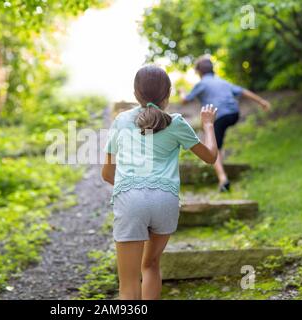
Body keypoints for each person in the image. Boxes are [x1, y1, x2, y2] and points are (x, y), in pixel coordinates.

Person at [101, 65, 218, 300]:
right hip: (165, 199)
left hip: (130, 198)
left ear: (136, 94)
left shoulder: (122, 121)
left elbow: (107, 173)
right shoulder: (176, 123)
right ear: (168, 94)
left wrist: (131, 187)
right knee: (151, 264)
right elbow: (210, 157)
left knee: (128, 284)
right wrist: (208, 124)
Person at [181, 56, 271, 191]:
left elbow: (184, 101)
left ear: (199, 71)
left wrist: (182, 92)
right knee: (216, 140)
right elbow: (243, 91)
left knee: (212, 147)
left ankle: (223, 180)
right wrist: (261, 101)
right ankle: (221, 171)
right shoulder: (223, 82)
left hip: (219, 116)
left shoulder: (202, 84)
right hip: (234, 114)